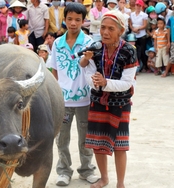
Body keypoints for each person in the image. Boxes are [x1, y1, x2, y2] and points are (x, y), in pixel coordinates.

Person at [79, 10, 138, 188]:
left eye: (110, 29)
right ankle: (104, 178)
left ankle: (120, 183)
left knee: (120, 145)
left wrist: (104, 83)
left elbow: (127, 83)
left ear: (121, 31)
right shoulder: (95, 48)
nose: (105, 32)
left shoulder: (129, 51)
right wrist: (95, 82)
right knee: (98, 143)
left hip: (121, 103)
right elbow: (87, 72)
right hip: (98, 101)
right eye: (103, 27)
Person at [48, 2, 97, 186]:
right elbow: (54, 70)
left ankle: (86, 170)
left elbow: (93, 69)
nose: (73, 23)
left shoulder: (89, 43)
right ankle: (63, 171)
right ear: (64, 19)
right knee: (62, 139)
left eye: (78, 19)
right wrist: (56, 94)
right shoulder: (58, 43)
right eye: (70, 19)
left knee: (86, 139)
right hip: (63, 101)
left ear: (84, 21)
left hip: (85, 100)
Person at [129, 0, 148, 71]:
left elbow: (145, 25)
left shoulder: (144, 15)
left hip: (141, 35)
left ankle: (143, 66)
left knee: (142, 51)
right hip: (133, 35)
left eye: (139, 5)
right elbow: (130, 24)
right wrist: (133, 29)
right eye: (137, 5)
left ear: (141, 6)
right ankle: (134, 66)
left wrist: (138, 28)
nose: (138, 7)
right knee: (134, 50)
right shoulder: (132, 14)